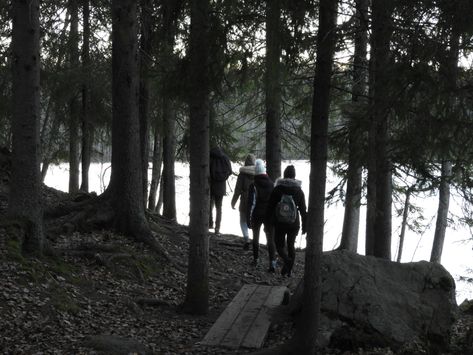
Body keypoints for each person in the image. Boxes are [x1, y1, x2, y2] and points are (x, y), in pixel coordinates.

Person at [266, 165, 307, 276]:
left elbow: (270, 206)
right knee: (290, 245)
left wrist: (268, 221)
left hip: (279, 222)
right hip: (294, 223)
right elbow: (303, 209)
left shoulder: (277, 189)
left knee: (279, 245)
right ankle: (288, 271)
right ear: (294, 176)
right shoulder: (299, 191)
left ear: (284, 175)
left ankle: (286, 260)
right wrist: (305, 226)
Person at [248, 159, 276, 271]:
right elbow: (274, 202)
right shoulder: (272, 184)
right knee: (270, 239)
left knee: (256, 237)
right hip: (269, 215)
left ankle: (256, 260)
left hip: (257, 214)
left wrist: (248, 218)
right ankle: (272, 262)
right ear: (264, 172)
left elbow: (252, 203)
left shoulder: (253, 185)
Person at [231, 154, 255, 250]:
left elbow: (237, 189)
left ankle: (246, 238)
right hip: (255, 200)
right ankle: (255, 239)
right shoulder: (257, 173)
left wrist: (233, 202)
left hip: (244, 200)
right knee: (254, 221)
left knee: (243, 220)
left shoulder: (242, 174)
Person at [209, 146, 232, 235]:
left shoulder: (210, 157)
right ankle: (217, 228)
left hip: (210, 185)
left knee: (209, 205)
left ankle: (209, 224)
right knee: (219, 208)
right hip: (221, 186)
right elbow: (230, 171)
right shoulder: (225, 158)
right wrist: (223, 177)